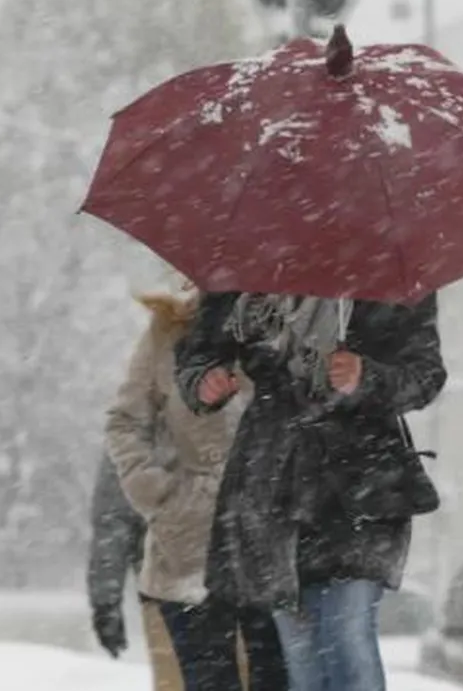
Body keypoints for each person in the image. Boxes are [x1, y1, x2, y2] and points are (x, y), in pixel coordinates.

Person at [176, 293, 446, 691]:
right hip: (273, 483)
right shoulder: (252, 269)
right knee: (301, 652)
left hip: (362, 484)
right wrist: (203, 381)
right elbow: (197, 356)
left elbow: (425, 375)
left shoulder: (388, 272)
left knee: (347, 634)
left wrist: (366, 375)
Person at [107, 285, 288, 691]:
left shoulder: (296, 324)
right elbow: (126, 422)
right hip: (188, 543)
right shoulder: (172, 327)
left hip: (274, 544)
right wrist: (161, 494)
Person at [87, 450, 183, 691]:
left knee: (175, 678)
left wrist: (105, 603)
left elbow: (113, 523)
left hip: (167, 588)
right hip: (235, 587)